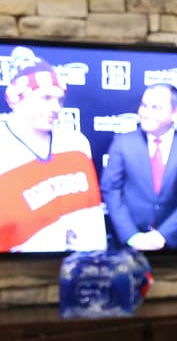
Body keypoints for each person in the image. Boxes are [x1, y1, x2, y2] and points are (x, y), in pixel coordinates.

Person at [0, 46, 107, 253]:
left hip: (78, 269)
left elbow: (91, 213)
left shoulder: (76, 143)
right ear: (16, 99)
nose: (56, 107)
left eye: (59, 99)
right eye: (46, 98)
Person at [101, 83, 177, 251]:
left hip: (172, 247)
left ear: (175, 112)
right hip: (129, 246)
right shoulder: (123, 143)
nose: (145, 113)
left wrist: (163, 235)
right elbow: (111, 190)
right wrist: (131, 236)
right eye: (144, 105)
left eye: (156, 108)